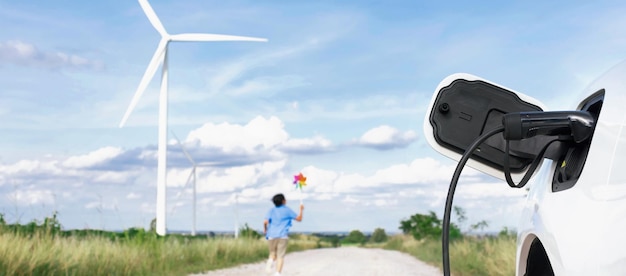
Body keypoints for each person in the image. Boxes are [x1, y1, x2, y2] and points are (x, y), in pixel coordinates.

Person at [263, 193, 304, 276]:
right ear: (283, 201)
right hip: (282, 236)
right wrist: (301, 210)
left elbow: (265, 222)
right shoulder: (287, 210)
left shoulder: (271, 210)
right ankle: (277, 273)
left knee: (272, 254)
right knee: (280, 256)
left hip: (271, 235)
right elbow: (299, 219)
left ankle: (270, 261)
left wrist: (265, 229)